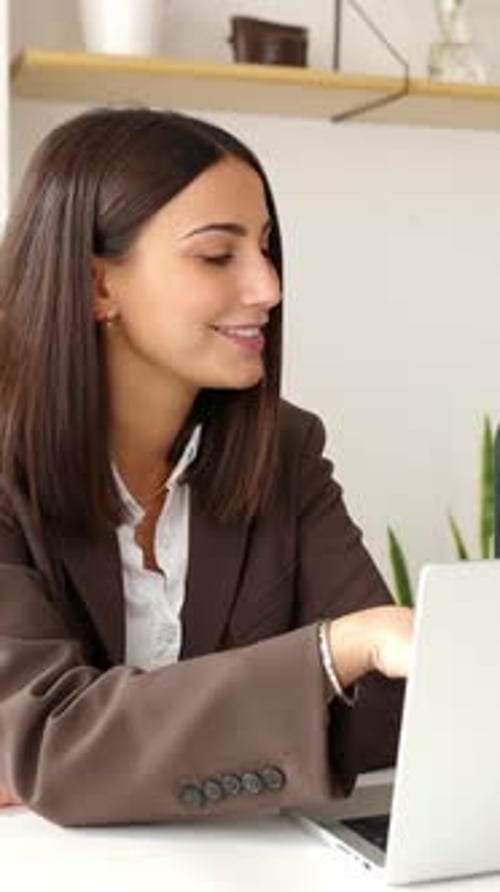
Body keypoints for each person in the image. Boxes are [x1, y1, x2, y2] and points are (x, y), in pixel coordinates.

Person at [0, 107, 412, 826]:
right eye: (218, 255)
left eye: (267, 248)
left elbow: (383, 715)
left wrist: (110, 756)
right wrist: (328, 654)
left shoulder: (287, 453)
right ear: (98, 286)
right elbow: (50, 748)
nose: (268, 288)